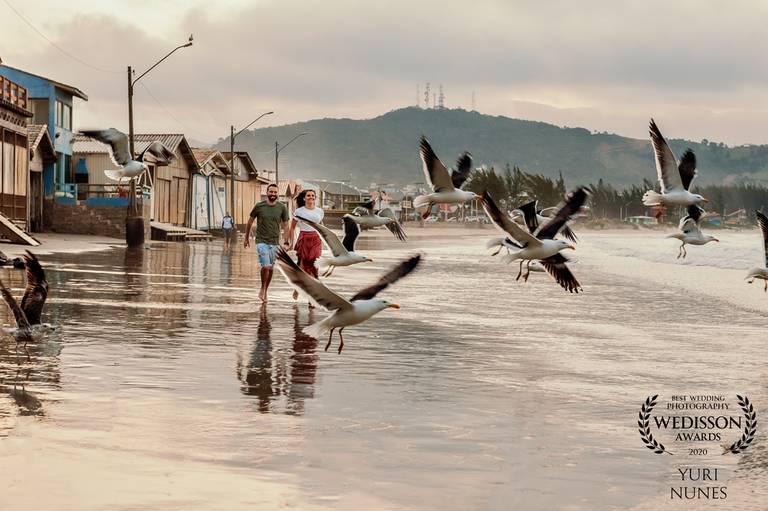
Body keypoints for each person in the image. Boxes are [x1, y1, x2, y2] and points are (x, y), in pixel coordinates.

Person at [244, 184, 290, 302]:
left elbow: (285, 225)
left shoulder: (282, 207)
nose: (273, 194)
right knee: (266, 266)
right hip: (261, 241)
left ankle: (265, 289)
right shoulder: (259, 206)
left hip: (275, 242)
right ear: (267, 192)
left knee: (271, 268)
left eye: (275, 192)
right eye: (271, 192)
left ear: (278, 194)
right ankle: (262, 288)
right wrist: (246, 238)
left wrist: (286, 242)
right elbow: (249, 222)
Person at [288, 190, 324, 304]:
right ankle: (298, 288)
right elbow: (292, 227)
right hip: (304, 238)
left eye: (313, 195)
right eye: (308, 195)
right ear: (304, 198)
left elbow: (321, 226)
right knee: (302, 267)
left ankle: (311, 298)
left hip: (316, 240)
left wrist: (326, 239)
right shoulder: (299, 211)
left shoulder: (320, 211)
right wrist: (291, 243)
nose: (311, 197)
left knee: (314, 267)